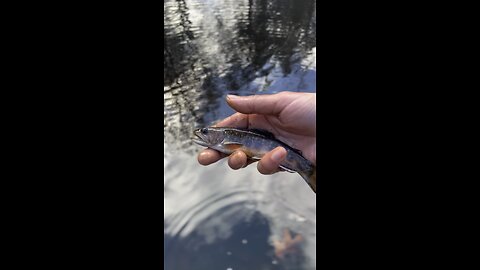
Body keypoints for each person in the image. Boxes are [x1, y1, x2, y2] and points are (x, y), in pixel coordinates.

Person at [197, 91, 316, 175]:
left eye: (205, 132)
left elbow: (236, 147)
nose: (201, 133)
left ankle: (309, 171)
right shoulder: (225, 140)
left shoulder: (225, 141)